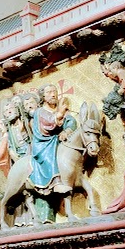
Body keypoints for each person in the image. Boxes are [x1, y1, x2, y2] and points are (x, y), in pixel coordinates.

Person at [28, 85, 77, 223]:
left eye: (55, 92)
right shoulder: (40, 111)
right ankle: (56, 183)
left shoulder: (59, 109)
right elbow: (49, 123)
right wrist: (60, 113)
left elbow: (71, 121)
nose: (53, 94)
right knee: (50, 156)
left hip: (58, 139)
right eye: (49, 92)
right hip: (44, 143)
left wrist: (67, 131)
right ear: (43, 96)